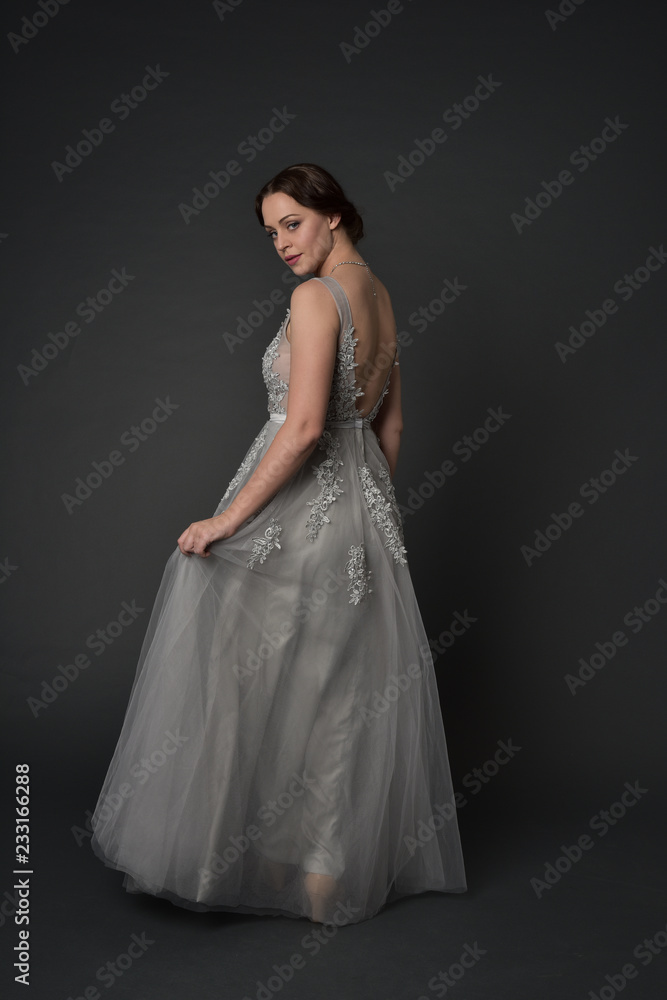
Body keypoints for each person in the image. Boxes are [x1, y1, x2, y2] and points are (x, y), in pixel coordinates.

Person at [90, 163, 466, 926]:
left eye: (291, 223)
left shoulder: (315, 297)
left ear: (333, 215)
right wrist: (371, 516)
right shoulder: (383, 298)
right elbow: (387, 427)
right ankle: (326, 873)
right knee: (334, 698)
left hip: (298, 523)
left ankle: (226, 858)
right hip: (362, 520)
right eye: (269, 232)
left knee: (249, 684)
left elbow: (300, 430)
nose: (280, 244)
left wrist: (224, 523)